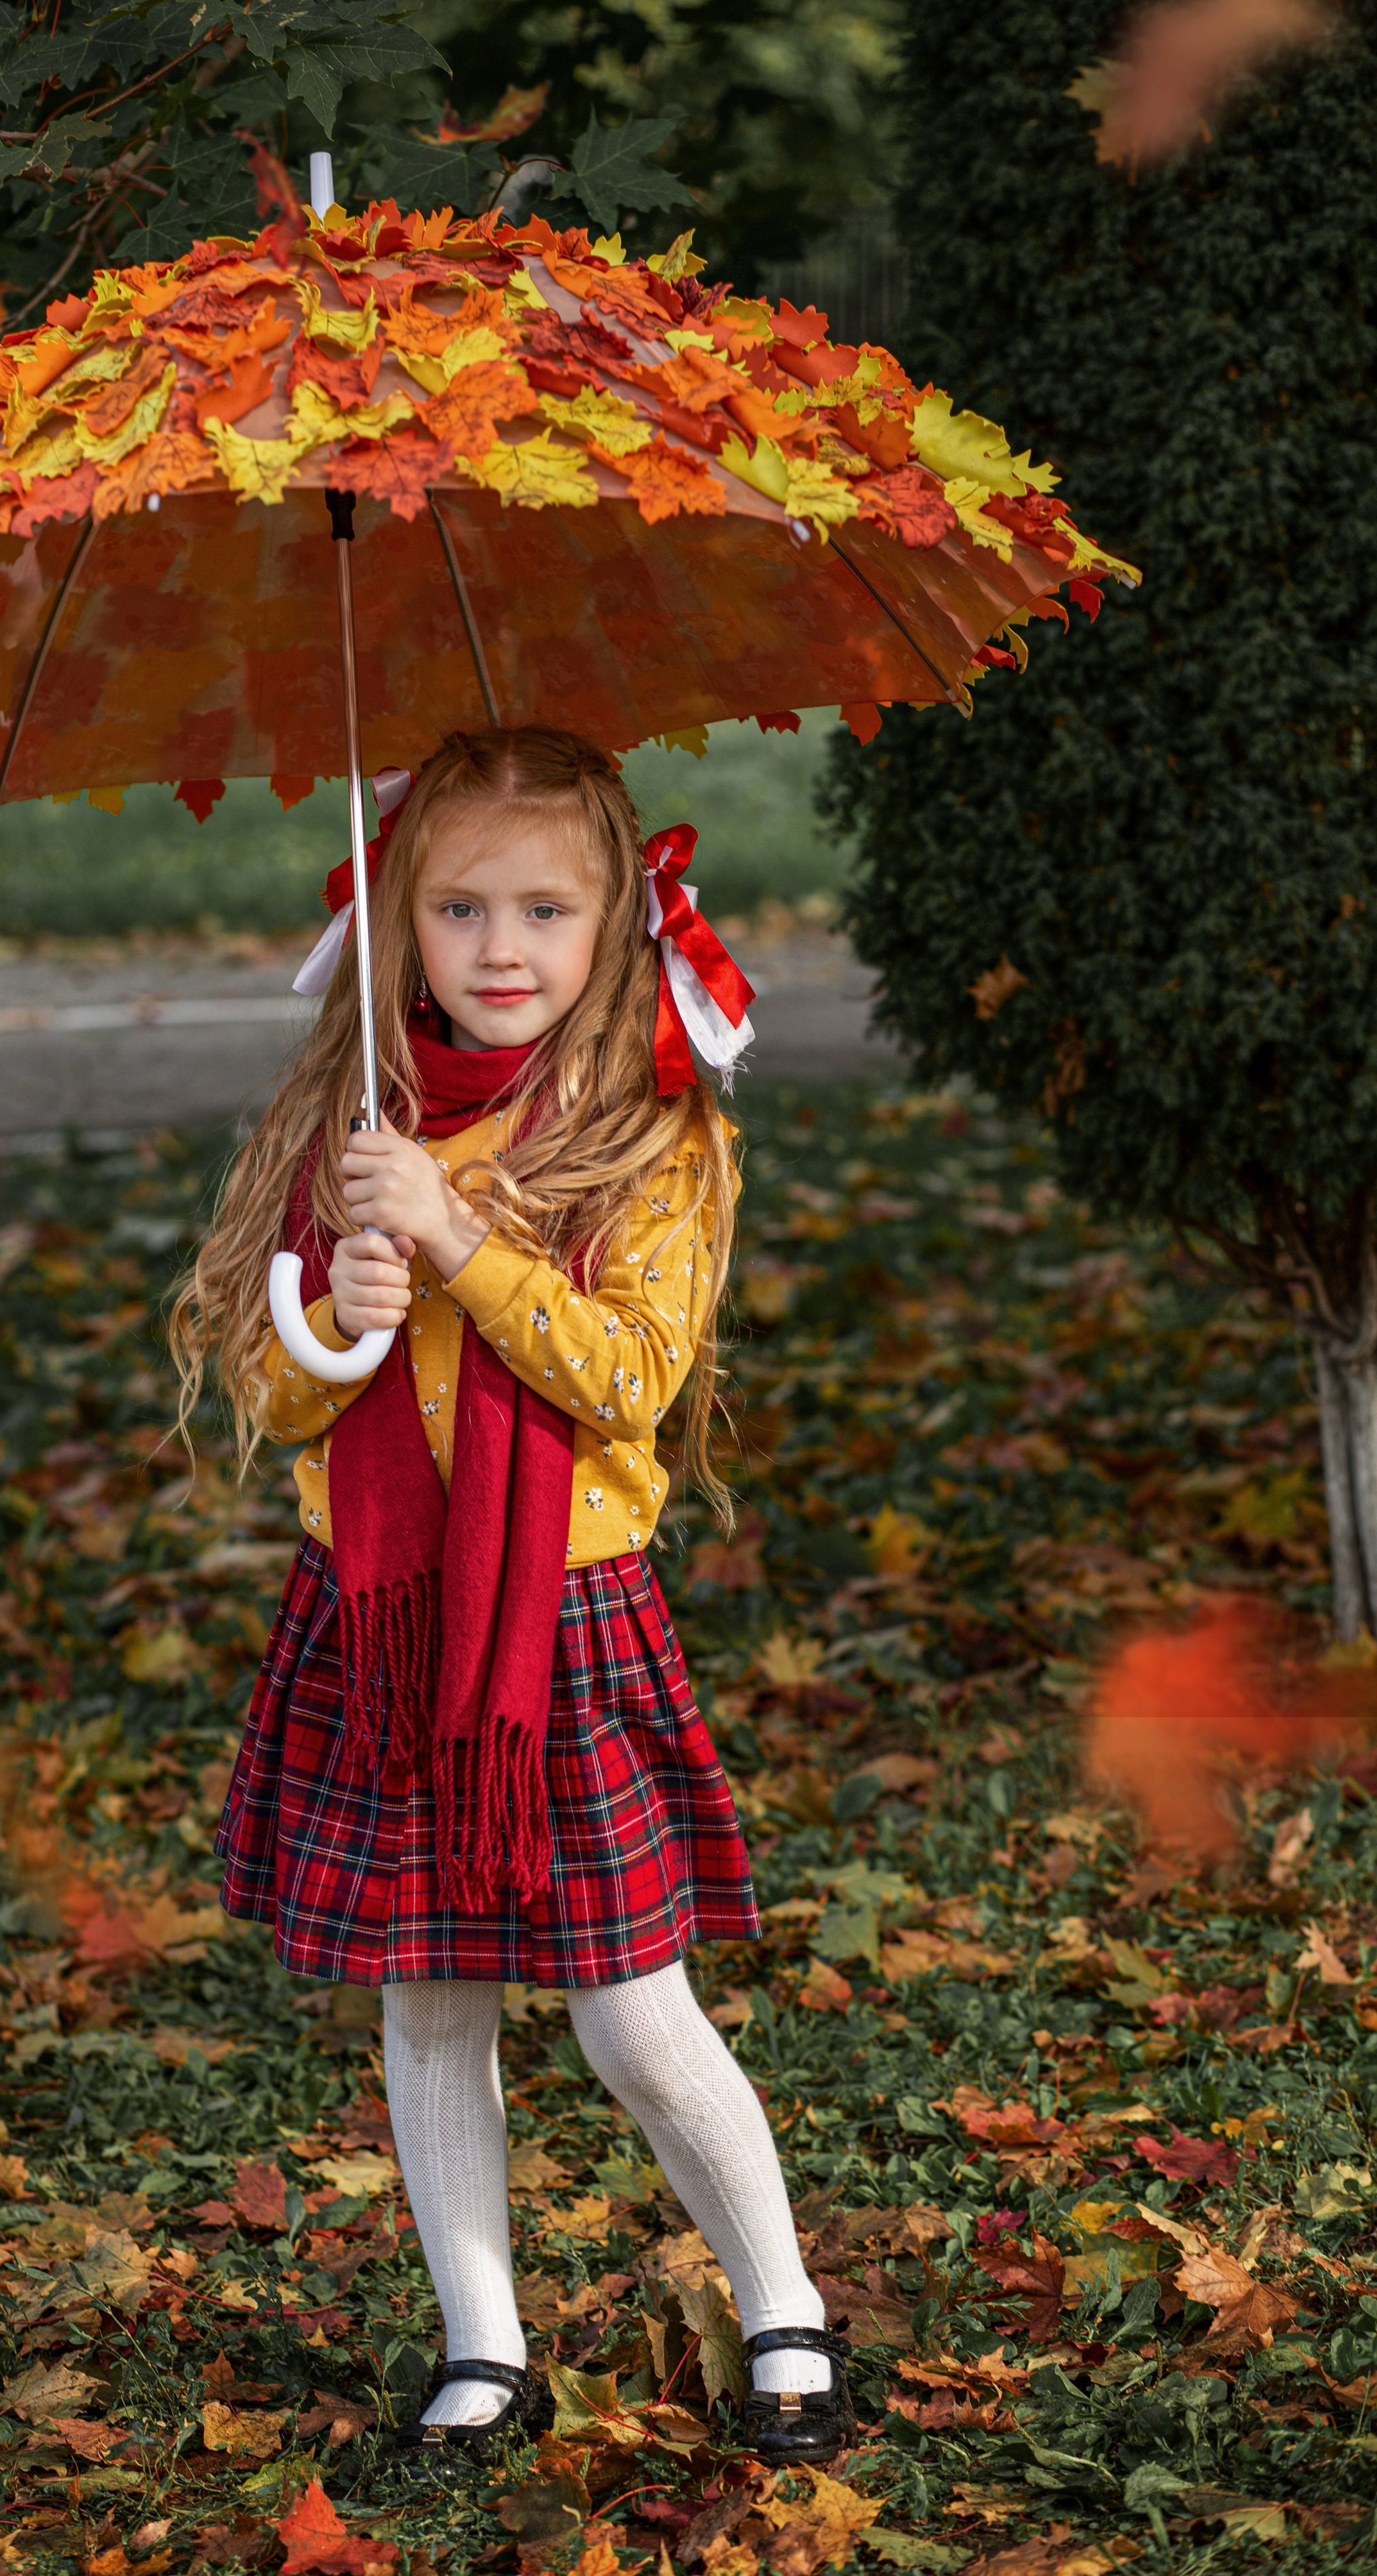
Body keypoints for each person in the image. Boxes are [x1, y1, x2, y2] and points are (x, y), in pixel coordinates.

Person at [170, 726, 851, 2474]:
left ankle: (781, 2301)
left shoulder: (652, 1128)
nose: (498, 948)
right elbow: (280, 1391)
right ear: (395, 917)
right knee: (432, 1995)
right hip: (387, 1611)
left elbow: (628, 1377)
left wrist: (469, 1248)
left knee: (630, 2004)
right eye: (457, 905)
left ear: (618, 913)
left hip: (563, 1618)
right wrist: (354, 1302)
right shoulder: (363, 1118)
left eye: (545, 907)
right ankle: (484, 2346)